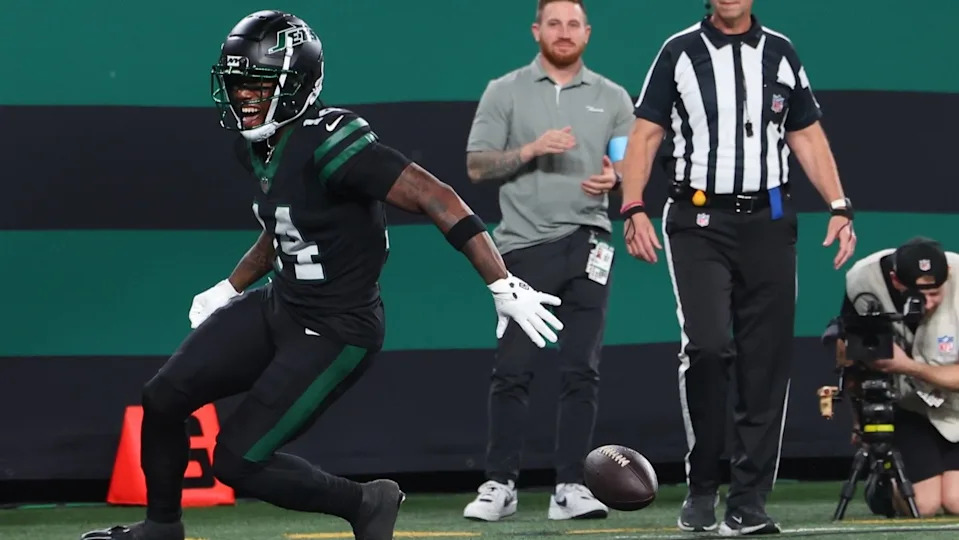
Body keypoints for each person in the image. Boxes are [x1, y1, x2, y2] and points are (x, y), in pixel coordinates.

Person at [80, 10, 564, 540]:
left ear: (296, 87)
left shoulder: (332, 143)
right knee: (163, 396)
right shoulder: (254, 146)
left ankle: (366, 502)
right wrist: (230, 287)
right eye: (237, 84)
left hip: (337, 330)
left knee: (237, 462)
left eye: (257, 85)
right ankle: (162, 528)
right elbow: (286, 225)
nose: (242, 97)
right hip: (281, 305)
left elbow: (436, 196)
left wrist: (501, 283)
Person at [618, 0, 857, 534]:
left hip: (770, 223)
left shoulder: (781, 53)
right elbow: (646, 133)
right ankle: (702, 484)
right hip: (698, 220)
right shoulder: (678, 52)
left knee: (765, 364)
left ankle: (748, 501)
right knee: (706, 347)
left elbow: (806, 133)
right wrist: (632, 205)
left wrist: (839, 206)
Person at [460, 0, 634, 522]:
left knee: (582, 369)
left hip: (591, 245)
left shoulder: (614, 98)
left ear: (587, 32)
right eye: (553, 23)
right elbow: (476, 165)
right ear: (537, 30)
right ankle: (500, 484)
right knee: (512, 370)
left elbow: (626, 164)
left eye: (573, 24)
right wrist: (531, 149)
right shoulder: (504, 90)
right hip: (520, 249)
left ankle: (571, 486)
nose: (563, 32)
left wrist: (616, 178)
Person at [841, 237, 959, 516]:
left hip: (955, 408)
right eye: (921, 295)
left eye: (936, 293)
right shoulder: (863, 281)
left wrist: (907, 366)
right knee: (925, 505)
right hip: (909, 408)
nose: (928, 303)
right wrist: (858, 420)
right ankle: (881, 487)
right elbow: (849, 354)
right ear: (896, 280)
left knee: (956, 501)